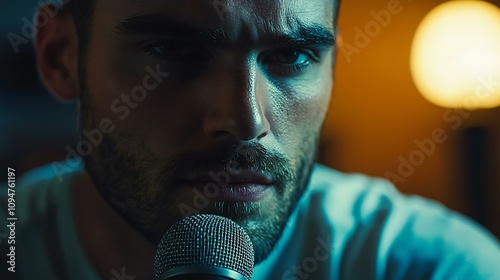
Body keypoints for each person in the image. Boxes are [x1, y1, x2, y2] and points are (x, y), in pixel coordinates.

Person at [1, 0, 499, 279]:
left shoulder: (430, 266)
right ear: (61, 56)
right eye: (174, 50)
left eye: (293, 55)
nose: (244, 120)